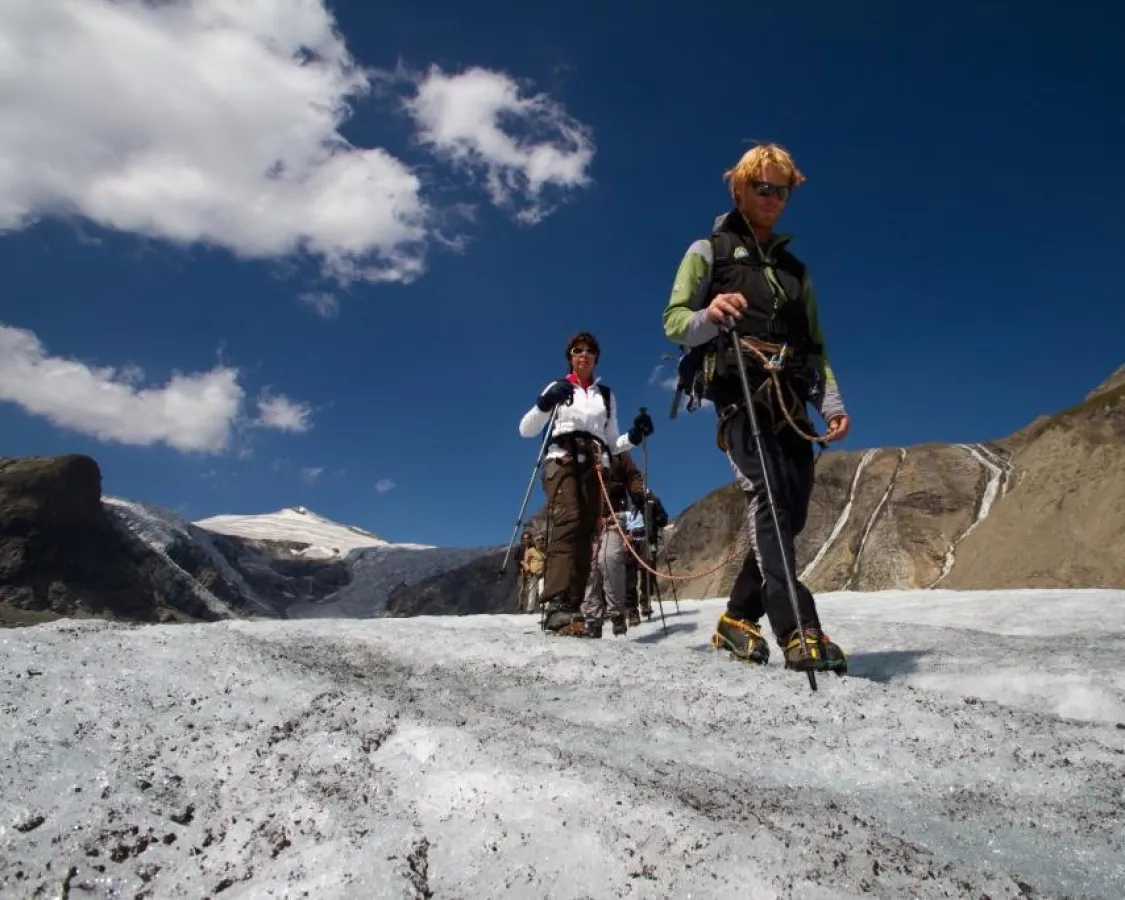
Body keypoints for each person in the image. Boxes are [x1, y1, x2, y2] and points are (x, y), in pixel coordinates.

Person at [661, 142, 849, 673]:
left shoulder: (796, 272)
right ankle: (798, 628)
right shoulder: (708, 251)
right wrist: (710, 311)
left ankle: (737, 619)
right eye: (762, 187)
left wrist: (829, 401)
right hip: (737, 390)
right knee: (769, 495)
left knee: (791, 509)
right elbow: (674, 320)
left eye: (781, 190)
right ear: (738, 188)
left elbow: (815, 347)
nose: (772, 198)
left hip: (789, 396)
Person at [518, 332, 654, 636]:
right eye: (578, 351)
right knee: (568, 522)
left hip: (595, 466)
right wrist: (544, 403)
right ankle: (555, 605)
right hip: (562, 460)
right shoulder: (557, 388)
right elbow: (526, 429)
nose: (584, 355)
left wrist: (633, 436)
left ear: (596, 358)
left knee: (585, 534)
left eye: (590, 351)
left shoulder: (605, 395)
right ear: (570, 356)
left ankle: (573, 606)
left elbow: (612, 441)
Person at [581, 449, 645, 637]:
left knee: (608, 559)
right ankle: (592, 619)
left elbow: (633, 475)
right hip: (590, 521)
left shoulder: (618, 451)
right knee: (590, 567)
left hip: (614, 517)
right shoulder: (582, 447)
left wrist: (637, 493)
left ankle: (617, 613)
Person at [518, 531, 546, 613]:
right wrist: (529, 570)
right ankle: (530, 608)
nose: (540, 542)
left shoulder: (546, 552)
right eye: (538, 540)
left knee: (542, 590)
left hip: (542, 574)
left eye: (542, 540)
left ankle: (543, 607)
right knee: (532, 591)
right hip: (533, 574)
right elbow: (525, 562)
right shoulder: (530, 551)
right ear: (536, 541)